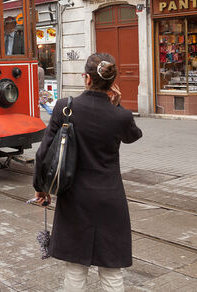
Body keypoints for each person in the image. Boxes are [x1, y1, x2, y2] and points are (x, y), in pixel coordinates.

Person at [33, 53, 142, 292]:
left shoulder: (65, 107)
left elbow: (42, 155)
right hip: (110, 199)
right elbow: (133, 136)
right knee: (112, 268)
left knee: (75, 268)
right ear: (112, 82)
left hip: (75, 198)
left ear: (87, 78)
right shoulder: (120, 115)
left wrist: (42, 189)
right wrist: (118, 105)